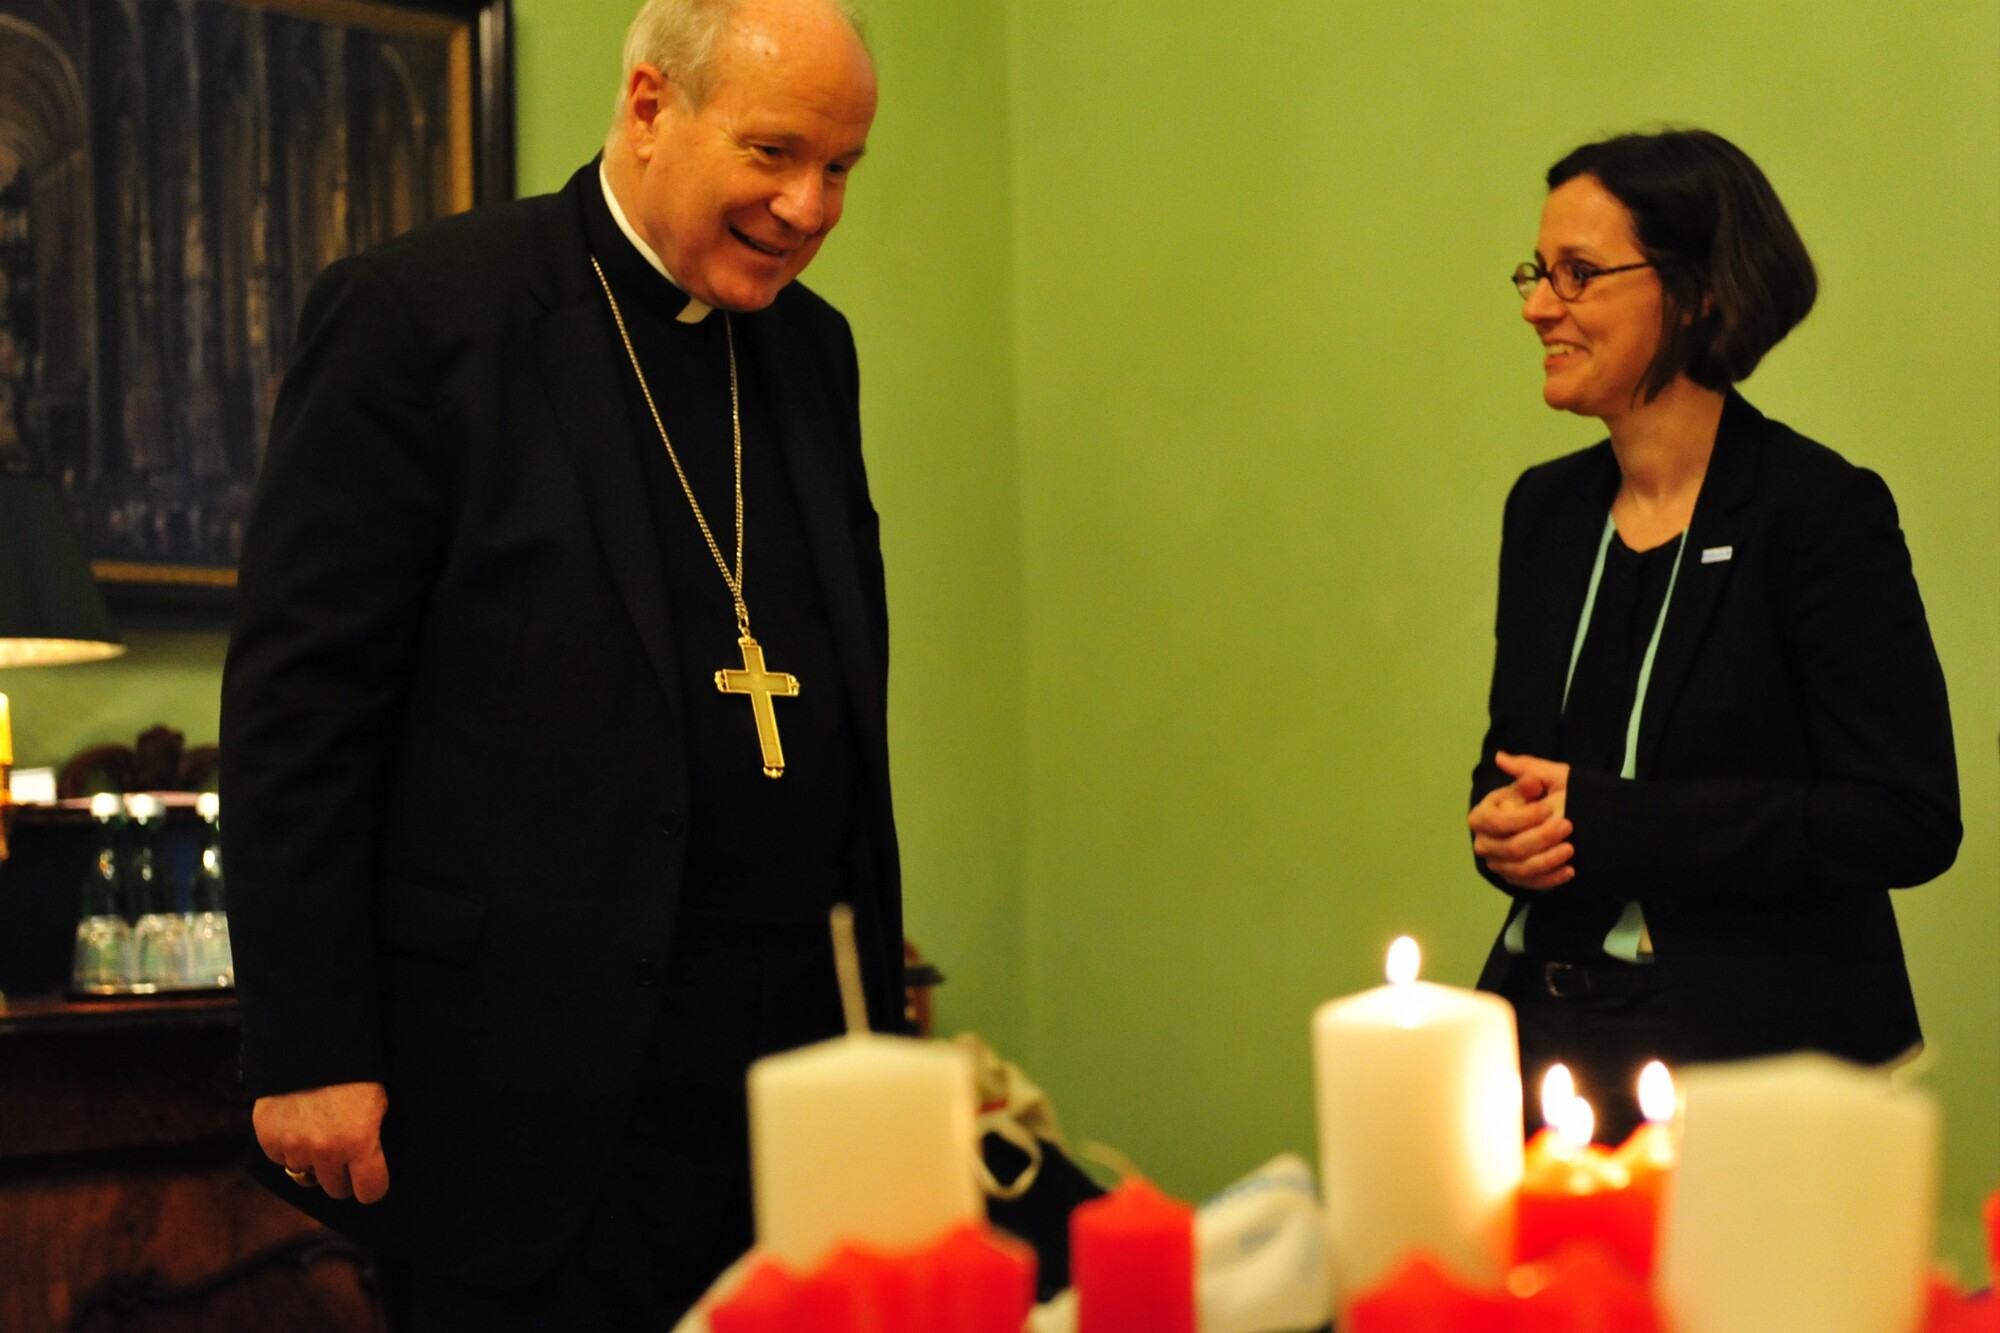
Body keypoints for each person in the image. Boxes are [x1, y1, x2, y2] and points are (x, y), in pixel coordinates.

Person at [219, 0, 902, 1326]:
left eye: (839, 169)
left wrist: (876, 1026)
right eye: (773, 154)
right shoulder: (424, 317)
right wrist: (309, 1044)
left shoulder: (811, 350)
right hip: (525, 1092)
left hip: (791, 1091)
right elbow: (300, 708)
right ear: (649, 106)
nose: (809, 208)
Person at [1466, 129, 1960, 1141]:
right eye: (1536, 272)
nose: (1536, 306)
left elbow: (1903, 817)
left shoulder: (1817, 513)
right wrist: (1501, 825)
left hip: (1751, 1071)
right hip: (1536, 1044)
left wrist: (1616, 823)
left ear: (1695, 292)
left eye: (1577, 274)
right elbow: (1520, 766)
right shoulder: (1545, 511)